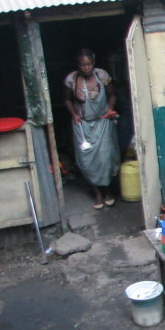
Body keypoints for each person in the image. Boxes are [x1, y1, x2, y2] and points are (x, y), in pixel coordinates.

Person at [63, 48, 120, 209]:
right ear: (78, 65)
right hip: (83, 125)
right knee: (87, 161)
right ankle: (97, 194)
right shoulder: (71, 80)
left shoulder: (102, 76)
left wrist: (110, 109)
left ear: (93, 64)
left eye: (88, 64)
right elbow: (66, 100)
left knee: (105, 158)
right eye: (82, 65)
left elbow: (112, 95)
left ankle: (108, 191)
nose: (86, 68)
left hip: (102, 122)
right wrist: (74, 114)